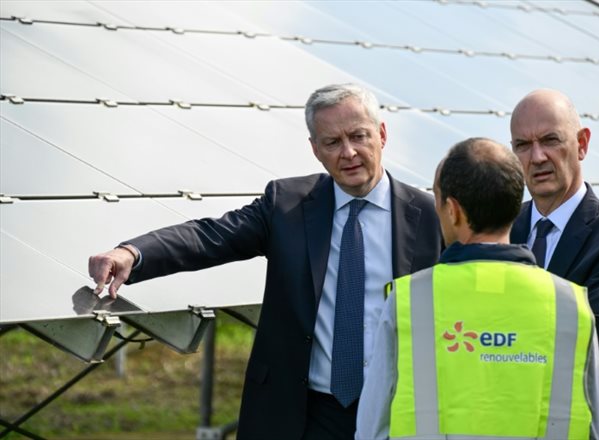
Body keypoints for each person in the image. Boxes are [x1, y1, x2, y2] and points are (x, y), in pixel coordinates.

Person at [88, 83, 443, 440]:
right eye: (332, 142)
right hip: (301, 412)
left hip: (395, 411)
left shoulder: (430, 216)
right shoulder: (287, 204)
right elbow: (210, 236)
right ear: (315, 150)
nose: (348, 152)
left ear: (381, 135)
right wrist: (132, 253)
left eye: (358, 136)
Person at [356, 137, 599, 439]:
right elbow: (597, 428)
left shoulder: (409, 300)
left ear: (453, 210)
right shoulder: (570, 304)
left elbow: (373, 427)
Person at [509, 89, 599, 439]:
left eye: (550, 140)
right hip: (510, 420)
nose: (537, 156)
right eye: (522, 145)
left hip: (590, 424)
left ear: (583, 143)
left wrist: (496, 341)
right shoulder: (502, 227)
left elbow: (589, 336)